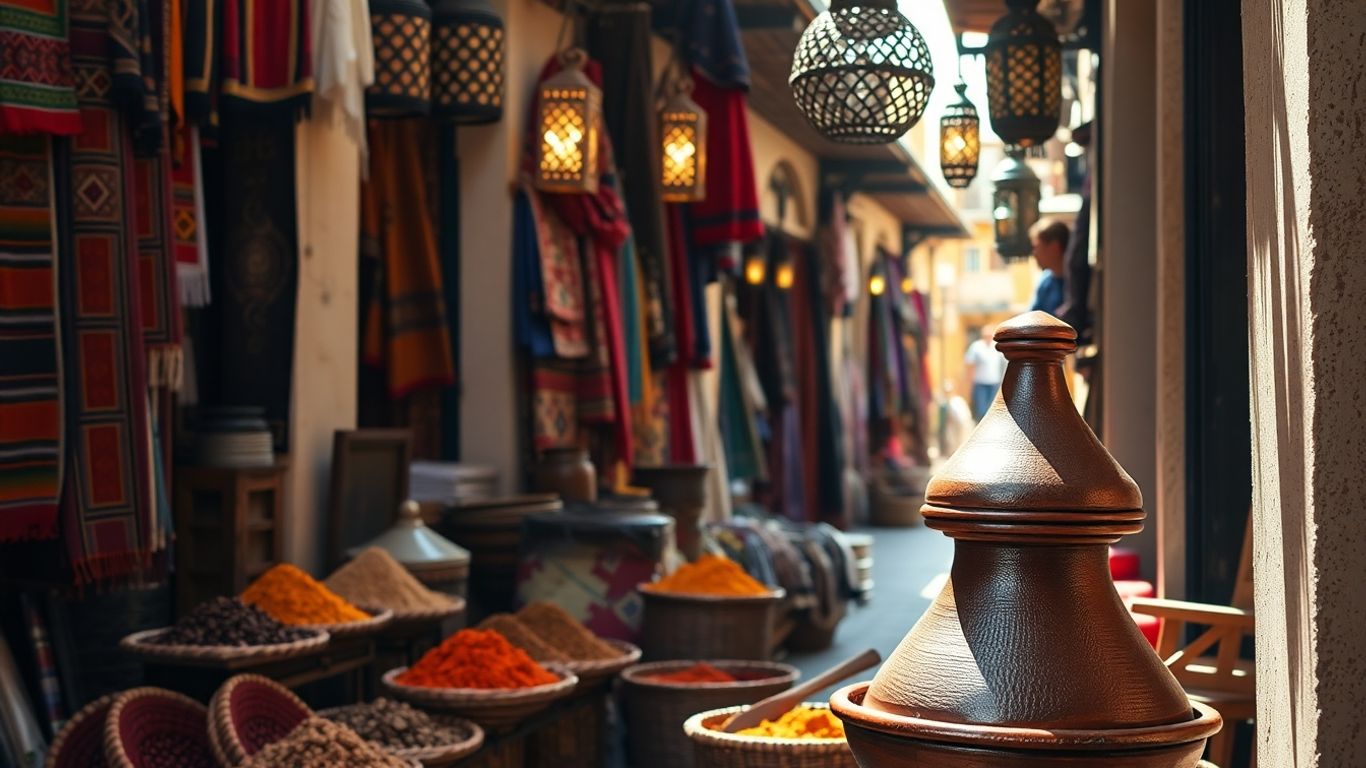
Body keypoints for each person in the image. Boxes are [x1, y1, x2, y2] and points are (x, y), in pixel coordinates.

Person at [963, 325, 1006, 421]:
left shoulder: (996, 346)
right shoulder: (976, 347)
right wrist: (969, 384)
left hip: (994, 383)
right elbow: (970, 365)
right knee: (981, 409)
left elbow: (1003, 364)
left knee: (992, 409)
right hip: (980, 383)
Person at [1029, 218, 1070, 317]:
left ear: (1054, 247)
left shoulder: (1078, 283)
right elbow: (1032, 319)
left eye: (1036, 247)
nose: (1034, 254)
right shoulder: (1045, 282)